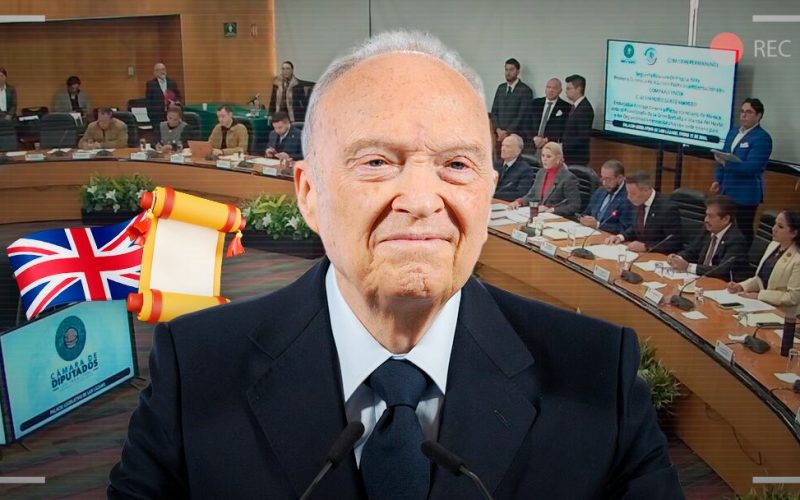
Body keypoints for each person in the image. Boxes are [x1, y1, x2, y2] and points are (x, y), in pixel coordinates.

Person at [109, 30, 682, 498]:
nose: (422, 200)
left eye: (457, 165)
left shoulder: (596, 375)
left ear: (489, 193)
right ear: (309, 194)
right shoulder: (196, 370)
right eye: (378, 161)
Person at [711, 98, 773, 246]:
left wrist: (726, 164)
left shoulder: (762, 138)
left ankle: (742, 258)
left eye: (749, 112)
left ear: (758, 116)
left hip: (746, 194)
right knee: (725, 228)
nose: (744, 115)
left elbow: (752, 167)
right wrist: (718, 180)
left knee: (742, 230)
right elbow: (722, 157)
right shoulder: (733, 132)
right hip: (727, 190)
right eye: (742, 111)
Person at [727, 209, 800, 316]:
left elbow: (793, 297)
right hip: (760, 306)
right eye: (775, 224)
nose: (774, 229)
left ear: (794, 233)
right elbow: (760, 280)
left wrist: (759, 295)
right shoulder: (773, 245)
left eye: (780, 227)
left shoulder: (797, 259)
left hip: (782, 314)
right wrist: (741, 286)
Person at [666, 195, 748, 281]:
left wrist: (688, 267)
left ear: (726, 219)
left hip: (721, 284)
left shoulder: (736, 240)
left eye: (710, 216)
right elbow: (691, 252)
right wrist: (677, 257)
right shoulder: (707, 230)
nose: (706, 220)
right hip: (700, 280)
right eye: (706, 215)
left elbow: (722, 271)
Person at [605, 170, 683, 254]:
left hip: (659, 257)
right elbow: (636, 228)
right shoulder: (638, 202)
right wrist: (620, 237)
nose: (628, 197)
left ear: (646, 189)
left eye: (633, 194)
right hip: (640, 254)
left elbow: (674, 242)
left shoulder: (667, 209)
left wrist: (647, 247)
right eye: (628, 193)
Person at [509, 142, 581, 217]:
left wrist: (553, 210)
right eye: (543, 156)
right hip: (540, 215)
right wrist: (519, 202)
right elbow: (532, 195)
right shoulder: (541, 173)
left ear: (558, 159)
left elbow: (574, 205)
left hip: (556, 217)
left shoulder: (568, 178)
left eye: (548, 156)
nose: (544, 159)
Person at [579, 159, 633, 235]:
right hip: (589, 233)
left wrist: (598, 225)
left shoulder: (629, 197)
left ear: (620, 178)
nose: (604, 183)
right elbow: (586, 212)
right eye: (602, 178)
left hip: (609, 237)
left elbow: (624, 228)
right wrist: (583, 218)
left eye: (608, 179)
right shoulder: (600, 191)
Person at [490, 58, 534, 143]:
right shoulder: (501, 88)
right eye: (506, 70)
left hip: (515, 135)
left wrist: (507, 132)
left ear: (518, 71)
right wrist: (498, 130)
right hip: (498, 135)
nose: (508, 73)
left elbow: (522, 116)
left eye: (511, 70)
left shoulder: (525, 90)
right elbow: (494, 111)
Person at [529, 78, 571, 152]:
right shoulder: (535, 103)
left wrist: (546, 140)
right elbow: (526, 123)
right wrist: (534, 138)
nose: (551, 90)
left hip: (552, 146)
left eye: (554, 88)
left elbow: (564, 129)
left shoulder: (566, 107)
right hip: (532, 143)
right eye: (548, 87)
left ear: (560, 91)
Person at [562, 74, 594, 166]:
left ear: (578, 89)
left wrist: (564, 146)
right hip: (569, 156)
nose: (566, 91)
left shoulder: (584, 108)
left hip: (577, 157)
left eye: (569, 88)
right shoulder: (575, 106)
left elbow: (583, 136)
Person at [493, 134, 535, 201]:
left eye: (508, 146)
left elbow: (520, 194)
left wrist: (493, 194)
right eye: (502, 145)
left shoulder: (525, 170)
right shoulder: (496, 165)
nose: (503, 149)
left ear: (518, 151)